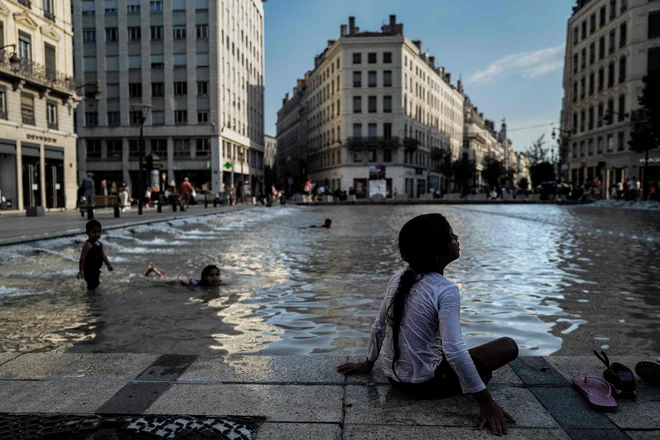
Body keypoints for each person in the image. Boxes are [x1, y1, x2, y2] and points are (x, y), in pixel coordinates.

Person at [336, 214, 518, 436]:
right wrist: (487, 404)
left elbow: (378, 326)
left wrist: (368, 362)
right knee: (508, 346)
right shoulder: (445, 290)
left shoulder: (398, 277)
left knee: (462, 354)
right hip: (425, 385)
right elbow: (455, 352)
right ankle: (470, 383)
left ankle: (467, 378)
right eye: (451, 237)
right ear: (438, 252)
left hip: (394, 380)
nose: (457, 238)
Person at [77, 220, 114, 291]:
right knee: (91, 286)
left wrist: (108, 265)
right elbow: (82, 258)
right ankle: (91, 299)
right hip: (89, 270)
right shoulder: (87, 244)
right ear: (87, 233)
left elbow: (103, 256)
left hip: (96, 269)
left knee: (95, 284)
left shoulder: (98, 243)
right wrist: (81, 271)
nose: (97, 234)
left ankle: (93, 299)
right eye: (94, 232)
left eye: (99, 232)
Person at [144, 263, 222, 287]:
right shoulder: (200, 285)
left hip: (188, 280)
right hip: (181, 280)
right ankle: (153, 268)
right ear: (205, 277)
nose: (215, 277)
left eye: (217, 275)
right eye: (211, 275)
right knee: (163, 278)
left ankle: (153, 268)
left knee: (165, 276)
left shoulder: (217, 282)